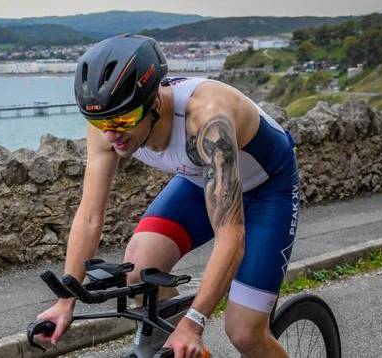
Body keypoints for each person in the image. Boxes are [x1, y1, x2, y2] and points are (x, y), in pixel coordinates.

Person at [33, 34, 300, 358]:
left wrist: (195, 321)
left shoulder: (205, 121)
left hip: (268, 189)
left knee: (244, 332)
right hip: (202, 181)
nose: (111, 134)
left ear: (155, 103)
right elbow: (89, 216)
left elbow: (231, 236)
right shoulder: (109, 123)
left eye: (123, 120)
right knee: (141, 267)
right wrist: (66, 300)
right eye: (98, 121)